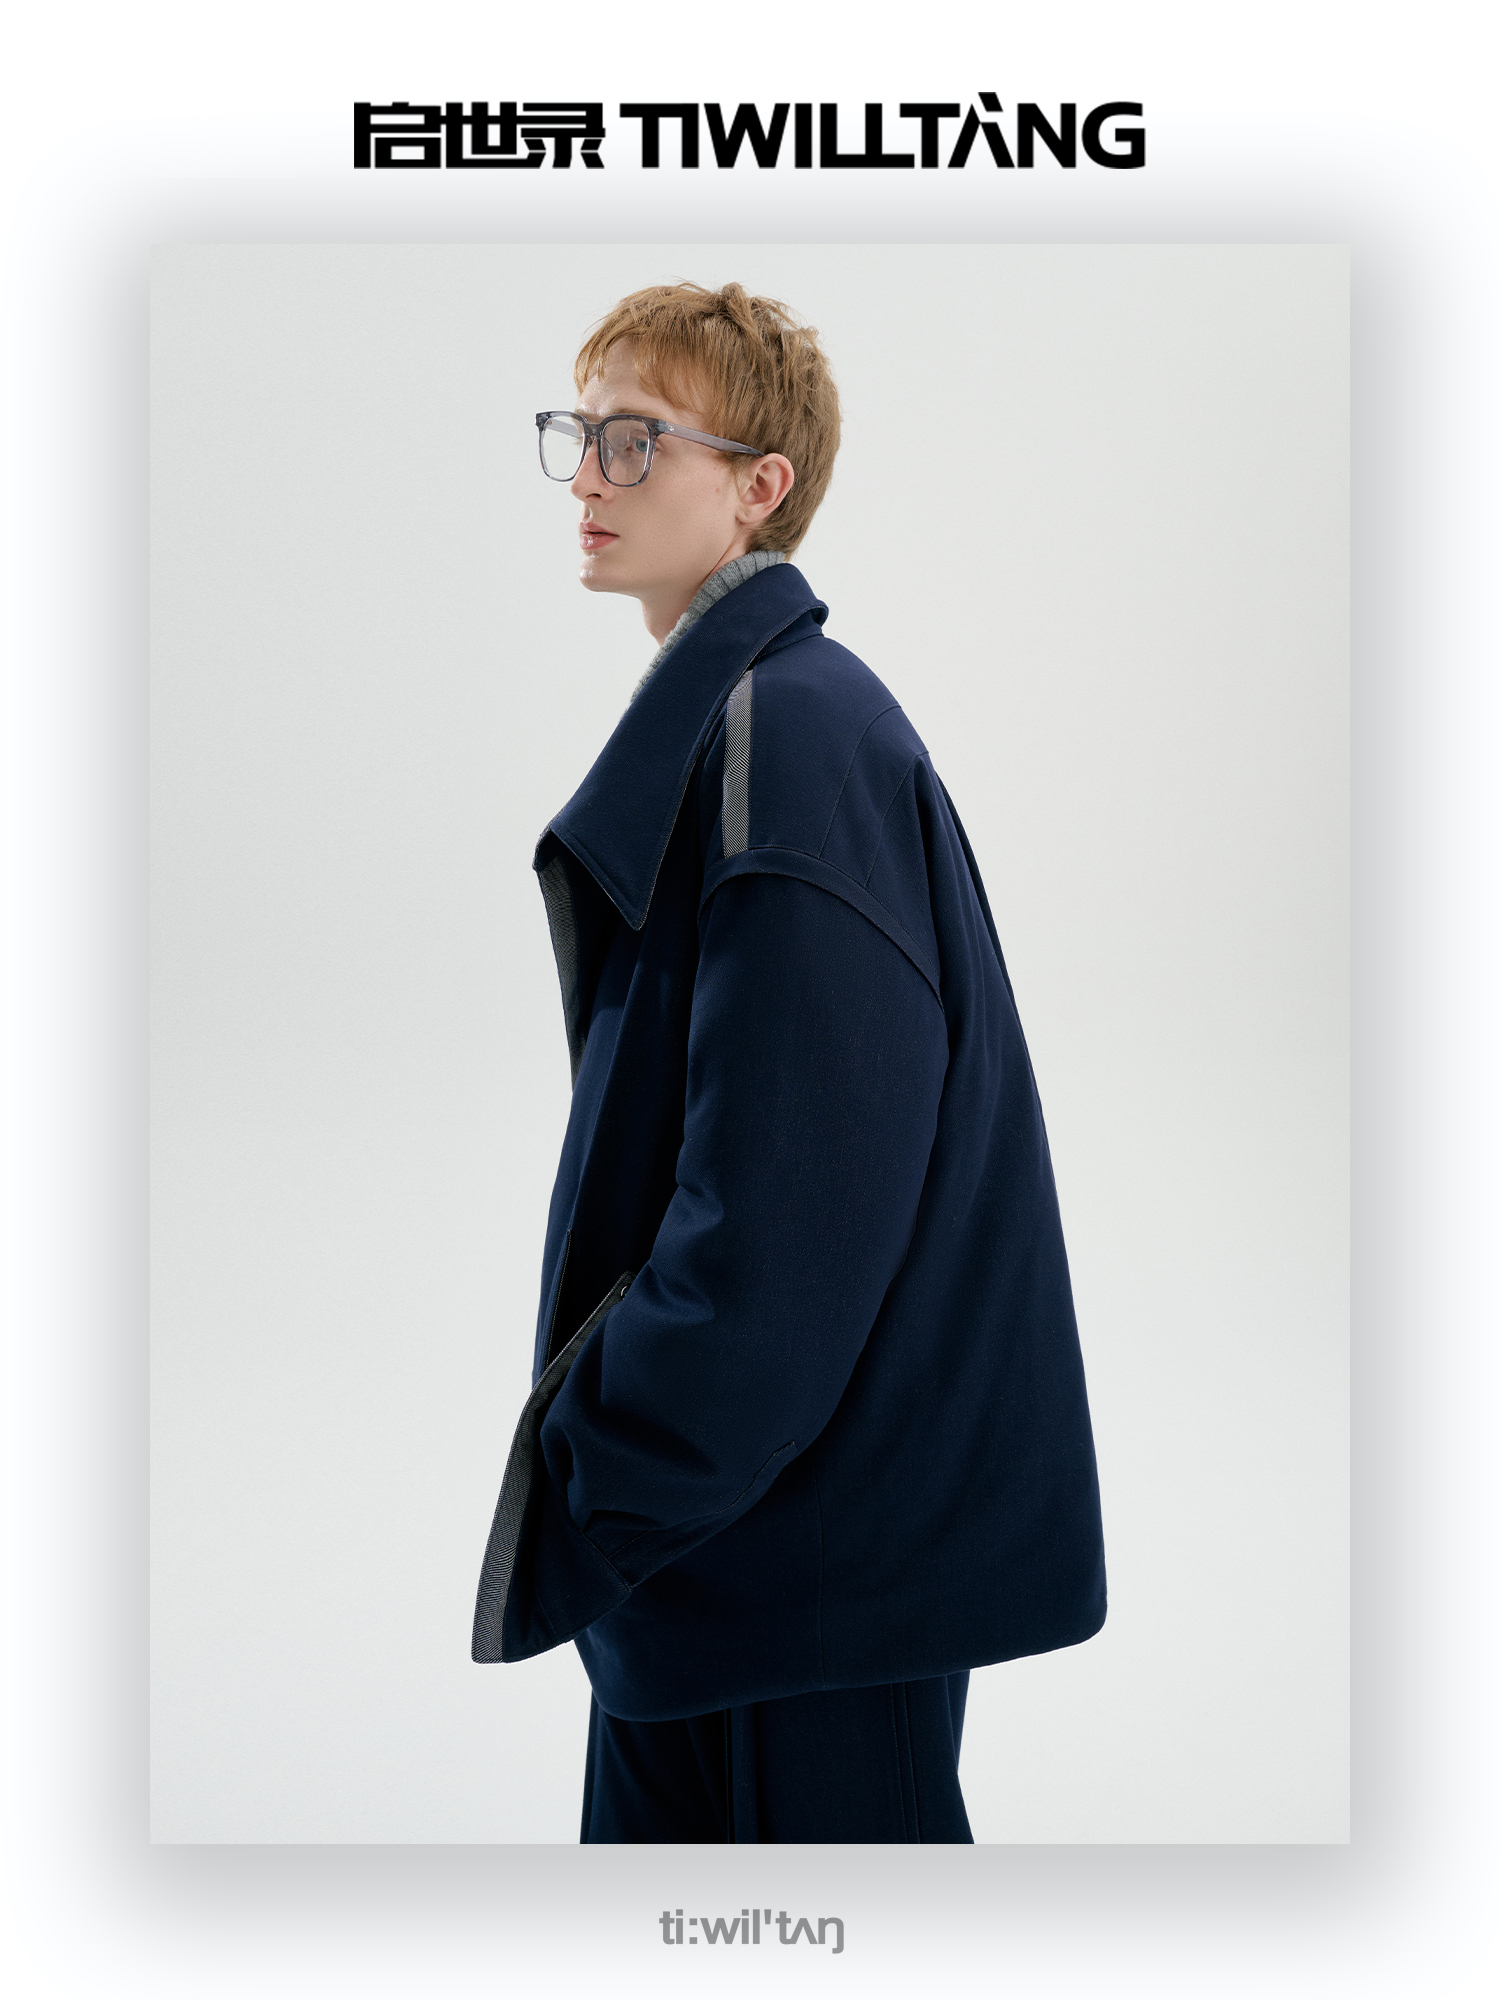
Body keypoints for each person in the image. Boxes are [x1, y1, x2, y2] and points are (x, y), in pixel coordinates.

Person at [472, 281, 1106, 1843]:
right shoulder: (752, 722)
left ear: (761, 485)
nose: (588, 475)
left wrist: (606, 1462)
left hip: (803, 1580)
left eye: (635, 439)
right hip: (743, 1565)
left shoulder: (792, 739)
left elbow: (786, 1228)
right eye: (578, 433)